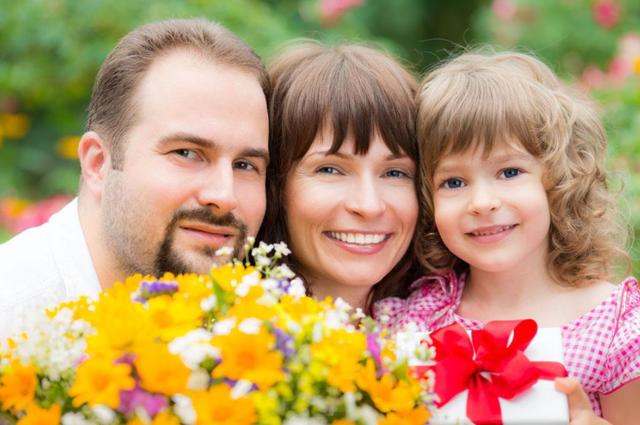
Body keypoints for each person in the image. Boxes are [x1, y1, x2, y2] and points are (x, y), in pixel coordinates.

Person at [375, 51, 640, 424]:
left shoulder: (615, 327)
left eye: (509, 172)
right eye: (454, 182)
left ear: (558, 178)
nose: (482, 202)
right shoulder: (415, 315)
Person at [0, 18, 269, 337]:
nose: (225, 196)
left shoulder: (253, 328)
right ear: (98, 163)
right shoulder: (13, 320)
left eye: (245, 165)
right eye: (186, 153)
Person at [260, 40, 421, 314]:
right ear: (275, 184)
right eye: (330, 169)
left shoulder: (452, 329)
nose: (369, 206)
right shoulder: (217, 335)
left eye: (394, 172)